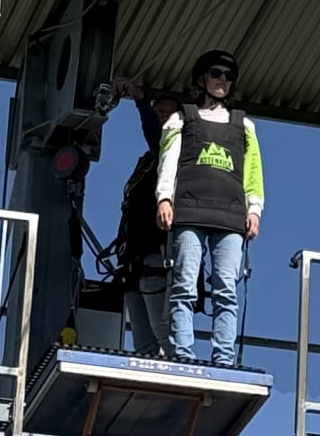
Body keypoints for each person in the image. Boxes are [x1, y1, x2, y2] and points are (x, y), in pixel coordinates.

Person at [155, 50, 263, 368]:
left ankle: (224, 360)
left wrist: (254, 209)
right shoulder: (181, 119)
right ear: (203, 78)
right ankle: (184, 355)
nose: (223, 80)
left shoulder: (244, 126)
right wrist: (164, 198)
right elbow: (168, 163)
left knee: (226, 288)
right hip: (188, 210)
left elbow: (254, 172)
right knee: (185, 284)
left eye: (229, 76)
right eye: (217, 73)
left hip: (230, 216)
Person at [110, 76, 176, 355]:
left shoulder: (178, 153)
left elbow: (158, 139)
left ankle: (183, 381)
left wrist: (140, 101)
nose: (160, 117)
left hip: (156, 257)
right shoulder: (147, 161)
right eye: (156, 111)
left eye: (166, 113)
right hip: (133, 261)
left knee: (165, 334)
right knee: (143, 344)